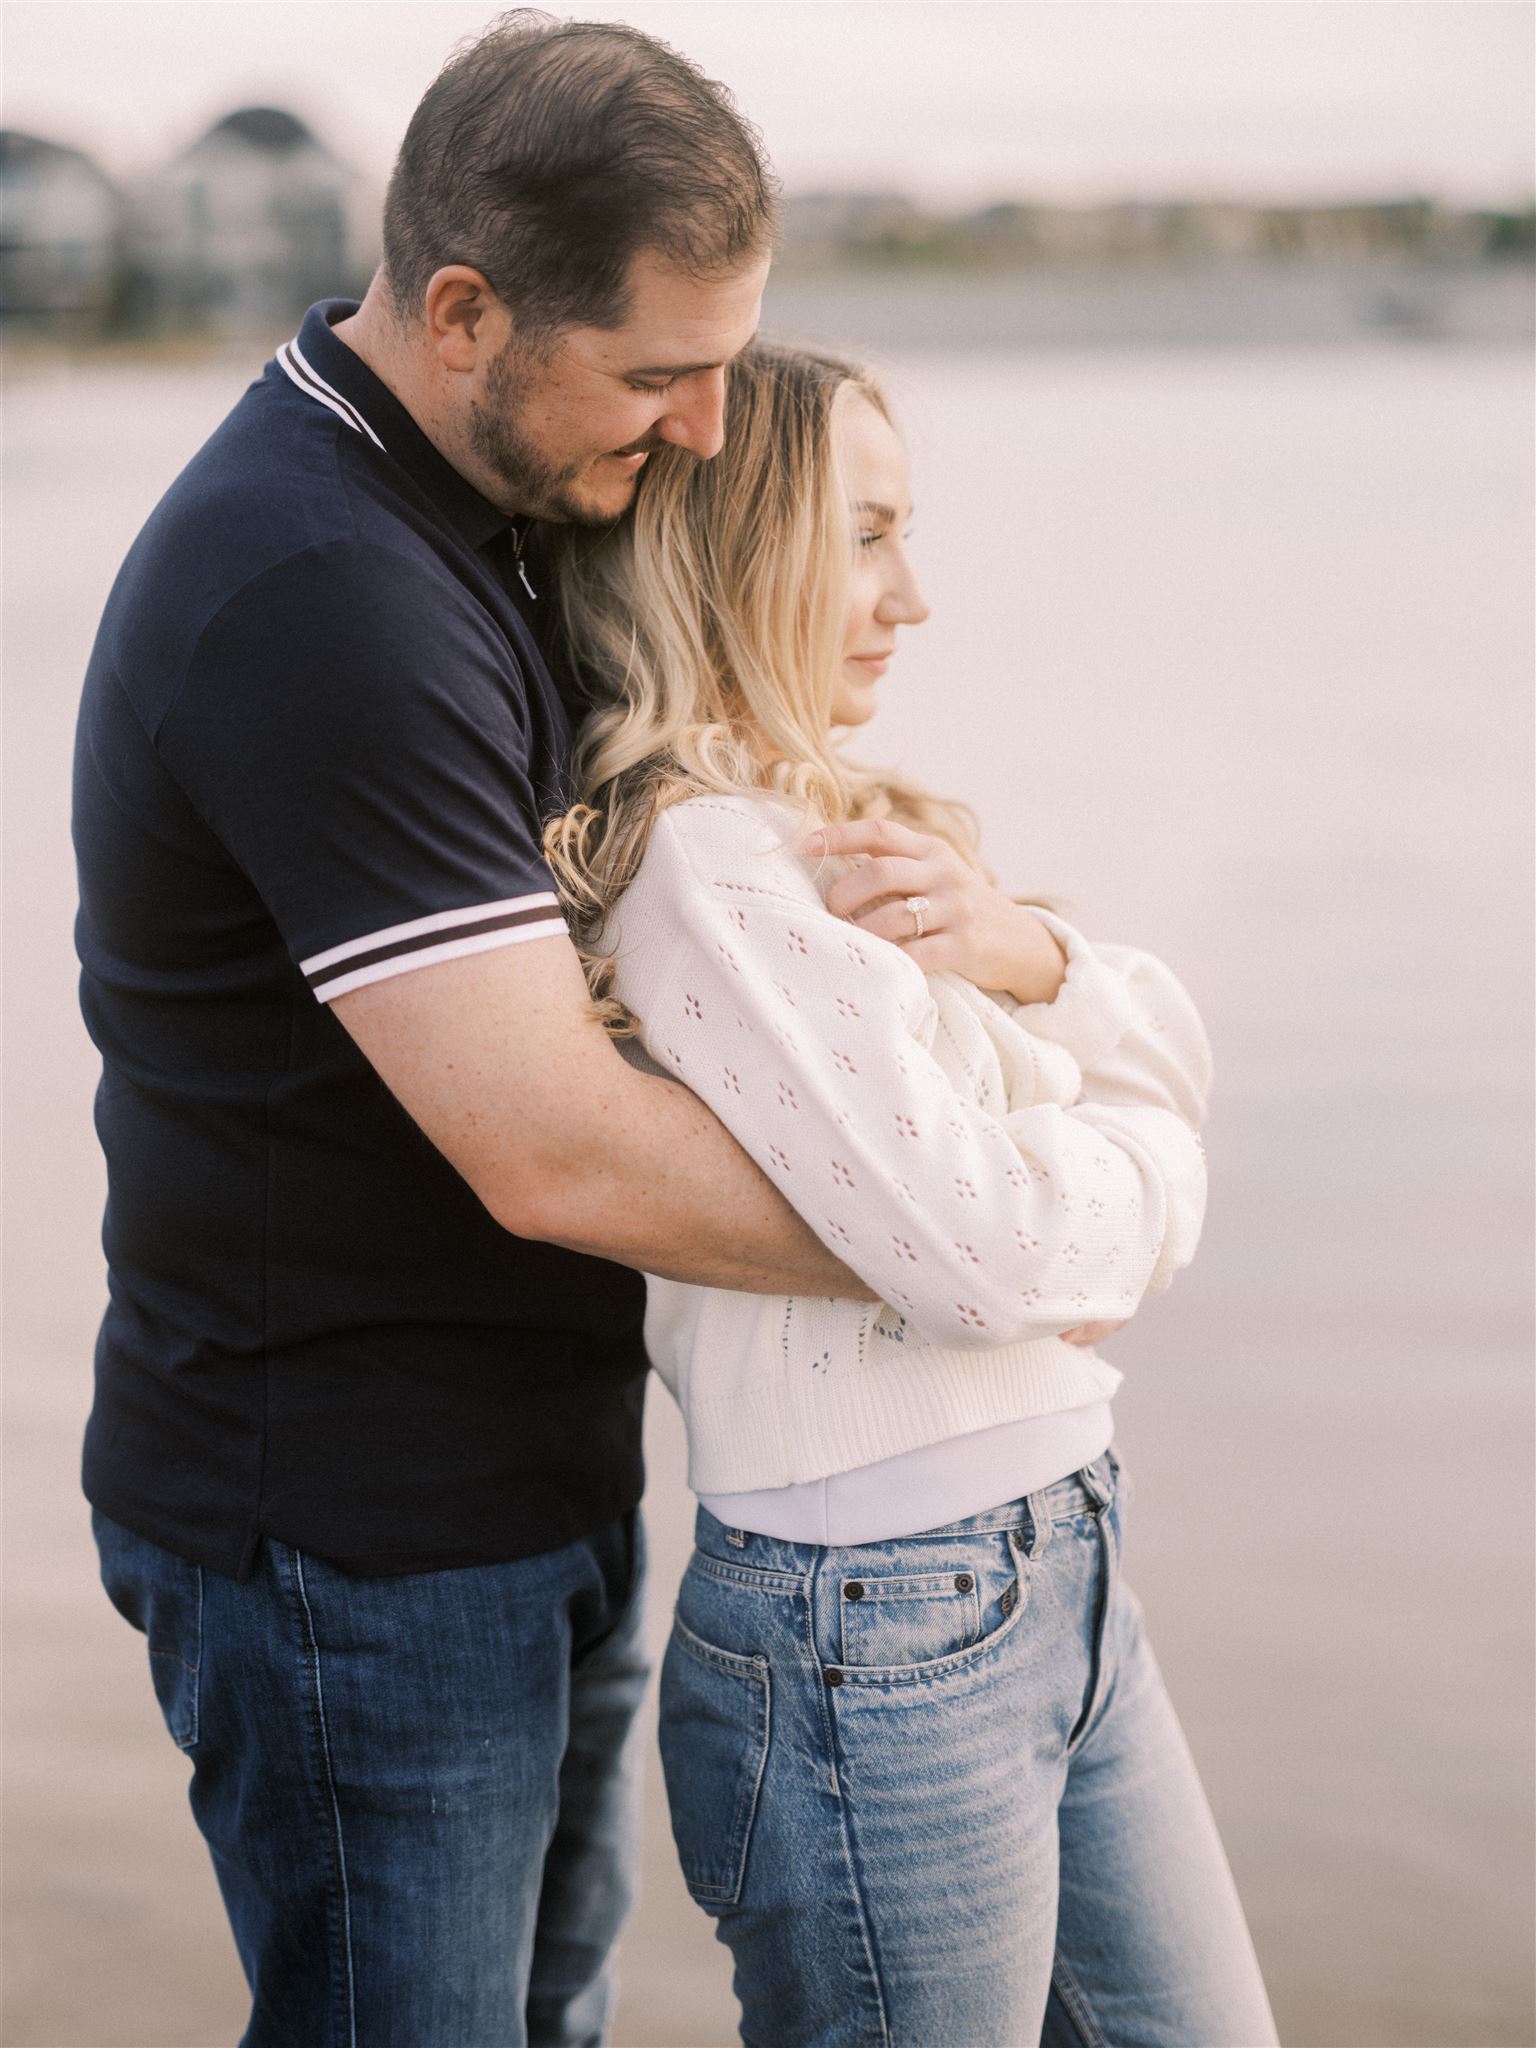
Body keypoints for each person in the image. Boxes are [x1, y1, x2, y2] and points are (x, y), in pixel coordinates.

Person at [72, 18, 884, 2046]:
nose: (705, 432)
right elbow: (558, 1148)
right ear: (459, 311)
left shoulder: (460, 495)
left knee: (553, 2015)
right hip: (348, 1535)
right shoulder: (319, 586)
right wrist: (991, 1243)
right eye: (657, 374)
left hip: (509, 1483)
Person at [542, 342, 1280, 2046]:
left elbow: (1152, 1070)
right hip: (878, 1624)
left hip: (1060, 1560)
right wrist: (1153, 1185)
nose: (912, 596)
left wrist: (1038, 958)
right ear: (735, 547)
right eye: (865, 535)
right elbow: (987, 1251)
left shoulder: (839, 837)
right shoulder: (710, 871)